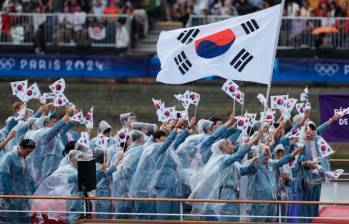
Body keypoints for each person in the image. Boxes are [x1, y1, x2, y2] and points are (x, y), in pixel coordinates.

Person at [189, 130, 262, 221]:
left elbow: (244, 171)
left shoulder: (232, 163)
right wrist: (255, 139)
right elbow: (238, 155)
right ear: (224, 149)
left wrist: (254, 163)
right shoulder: (222, 159)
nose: (233, 146)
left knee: (233, 219)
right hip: (224, 196)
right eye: (230, 144)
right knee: (224, 220)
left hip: (233, 196)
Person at [249, 144, 301, 222]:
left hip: (272, 202)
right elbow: (251, 167)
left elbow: (282, 161)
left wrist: (294, 153)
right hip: (260, 203)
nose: (267, 156)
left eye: (267, 154)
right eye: (264, 154)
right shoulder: (255, 165)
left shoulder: (272, 163)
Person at [0, 139, 36, 223]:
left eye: (30, 152)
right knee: (12, 216)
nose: (28, 153)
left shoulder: (28, 158)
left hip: (25, 193)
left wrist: (35, 189)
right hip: (11, 192)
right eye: (27, 151)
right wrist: (7, 193)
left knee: (25, 216)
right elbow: (2, 175)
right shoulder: (9, 157)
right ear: (21, 148)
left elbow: (29, 176)